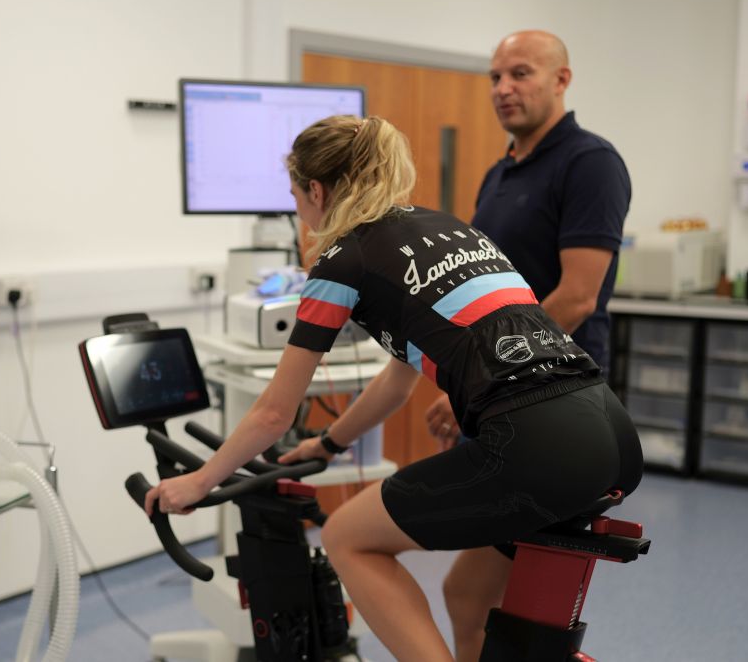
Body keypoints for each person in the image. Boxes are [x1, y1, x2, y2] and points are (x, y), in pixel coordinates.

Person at [144, 114, 642, 662]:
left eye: (296, 197)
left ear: (316, 191)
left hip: (532, 444)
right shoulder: (447, 228)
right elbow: (396, 384)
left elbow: (272, 413)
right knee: (466, 598)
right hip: (609, 431)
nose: (298, 213)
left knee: (346, 538)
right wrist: (328, 444)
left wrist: (198, 483)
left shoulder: (343, 259)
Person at [424, 30, 633, 661]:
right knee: (478, 599)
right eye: (494, 77)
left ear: (561, 79)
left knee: (490, 600)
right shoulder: (500, 172)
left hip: (554, 407)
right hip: (506, 403)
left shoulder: (590, 163)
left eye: (520, 73)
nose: (503, 89)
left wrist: (477, 376)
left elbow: (576, 297)